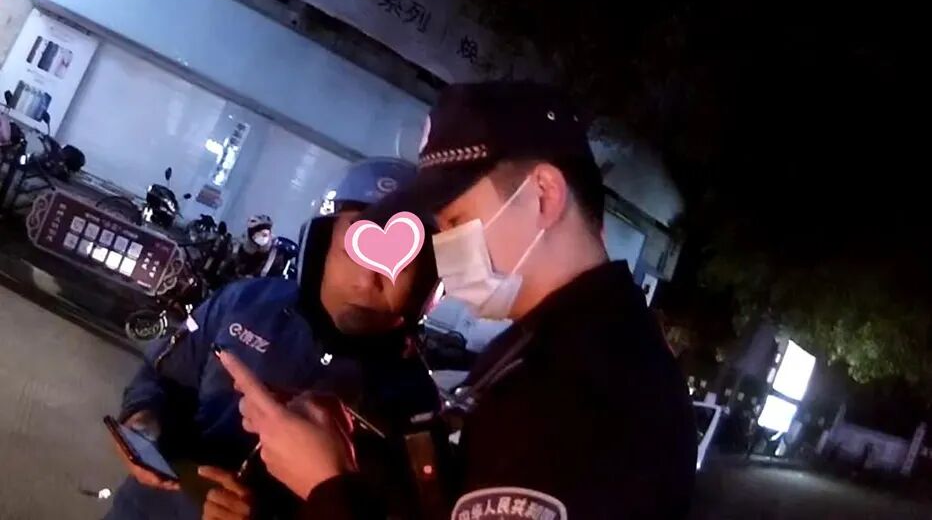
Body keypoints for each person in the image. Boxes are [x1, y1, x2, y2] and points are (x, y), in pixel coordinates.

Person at [221, 81, 698, 519]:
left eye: (455, 221)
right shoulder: (541, 350)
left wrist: (326, 485)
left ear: (544, 195)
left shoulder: (587, 390)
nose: (445, 249)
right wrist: (350, 449)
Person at [105, 158, 440, 520]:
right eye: (355, 248)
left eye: (400, 262)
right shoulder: (244, 302)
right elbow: (163, 375)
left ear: (427, 280)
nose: (367, 279)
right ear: (321, 247)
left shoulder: (415, 407)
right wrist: (142, 420)